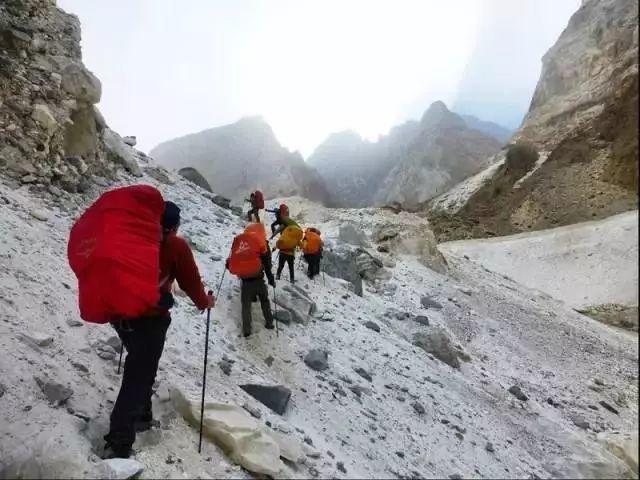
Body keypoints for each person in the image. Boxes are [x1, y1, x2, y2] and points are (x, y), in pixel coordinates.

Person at [103, 201, 214, 459]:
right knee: (138, 377)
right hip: (150, 320)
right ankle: (118, 442)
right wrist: (205, 302)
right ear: (175, 227)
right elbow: (191, 283)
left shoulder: (132, 238)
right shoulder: (175, 245)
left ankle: (143, 415)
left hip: (120, 315)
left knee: (142, 365)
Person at [226, 223, 275, 337]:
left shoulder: (241, 242)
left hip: (246, 282)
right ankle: (269, 323)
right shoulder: (261, 243)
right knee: (264, 301)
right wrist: (271, 279)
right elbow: (267, 265)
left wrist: (229, 264)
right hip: (259, 279)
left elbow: (231, 261)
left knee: (246, 305)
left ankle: (247, 330)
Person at [273, 218, 303, 283]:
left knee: (280, 265)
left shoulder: (285, 235)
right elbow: (301, 245)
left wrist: (276, 247)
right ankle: (292, 279)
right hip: (291, 254)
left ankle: (278, 276)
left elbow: (279, 243)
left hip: (282, 253)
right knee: (291, 267)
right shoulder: (295, 238)